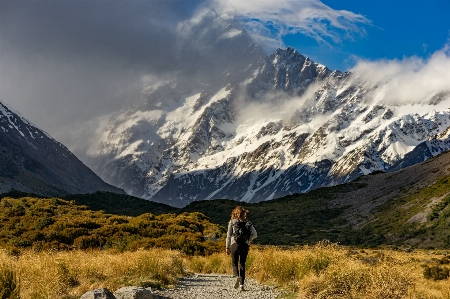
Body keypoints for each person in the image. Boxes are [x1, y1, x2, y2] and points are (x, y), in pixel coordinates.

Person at [226, 206, 257, 292]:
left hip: (235, 244)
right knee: (242, 264)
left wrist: (227, 247)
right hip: (245, 245)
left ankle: (236, 277)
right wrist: (248, 240)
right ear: (244, 213)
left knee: (235, 263)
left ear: (234, 213)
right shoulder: (248, 222)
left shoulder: (232, 222)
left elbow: (228, 236)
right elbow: (255, 234)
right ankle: (241, 286)